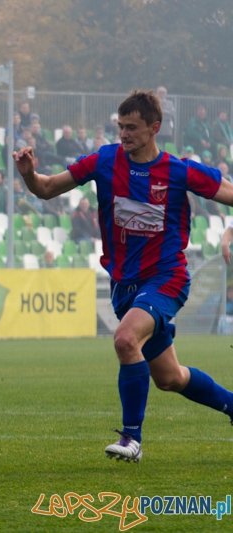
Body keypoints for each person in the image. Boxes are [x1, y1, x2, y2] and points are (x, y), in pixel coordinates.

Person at [14, 90, 233, 463]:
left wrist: (229, 232)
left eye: (132, 127)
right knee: (170, 378)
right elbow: (47, 189)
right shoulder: (104, 161)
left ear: (154, 128)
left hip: (167, 279)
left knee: (125, 339)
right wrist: (29, 174)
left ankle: (132, 439)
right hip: (124, 287)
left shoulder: (179, 171)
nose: (124, 134)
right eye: (120, 127)